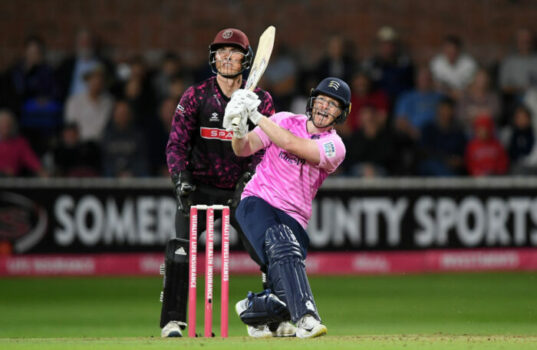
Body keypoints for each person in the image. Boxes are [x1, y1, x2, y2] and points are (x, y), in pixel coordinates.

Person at [159, 28, 275, 338]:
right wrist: (180, 180)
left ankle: (273, 316)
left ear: (245, 59)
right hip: (198, 187)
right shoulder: (196, 96)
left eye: (233, 52)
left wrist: (249, 180)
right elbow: (176, 145)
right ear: (213, 57)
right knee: (181, 249)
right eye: (221, 51)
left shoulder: (260, 100)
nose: (226, 57)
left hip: (242, 191)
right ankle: (173, 319)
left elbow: (266, 146)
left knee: (268, 250)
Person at [224, 77, 351, 338]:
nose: (325, 108)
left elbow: (294, 145)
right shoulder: (282, 120)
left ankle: (252, 309)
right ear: (312, 101)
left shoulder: (335, 146)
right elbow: (243, 148)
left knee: (283, 295)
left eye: (333, 105)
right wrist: (237, 128)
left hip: (295, 216)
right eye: (322, 100)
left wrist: (257, 115)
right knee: (280, 241)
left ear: (341, 114)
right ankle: (306, 318)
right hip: (256, 201)